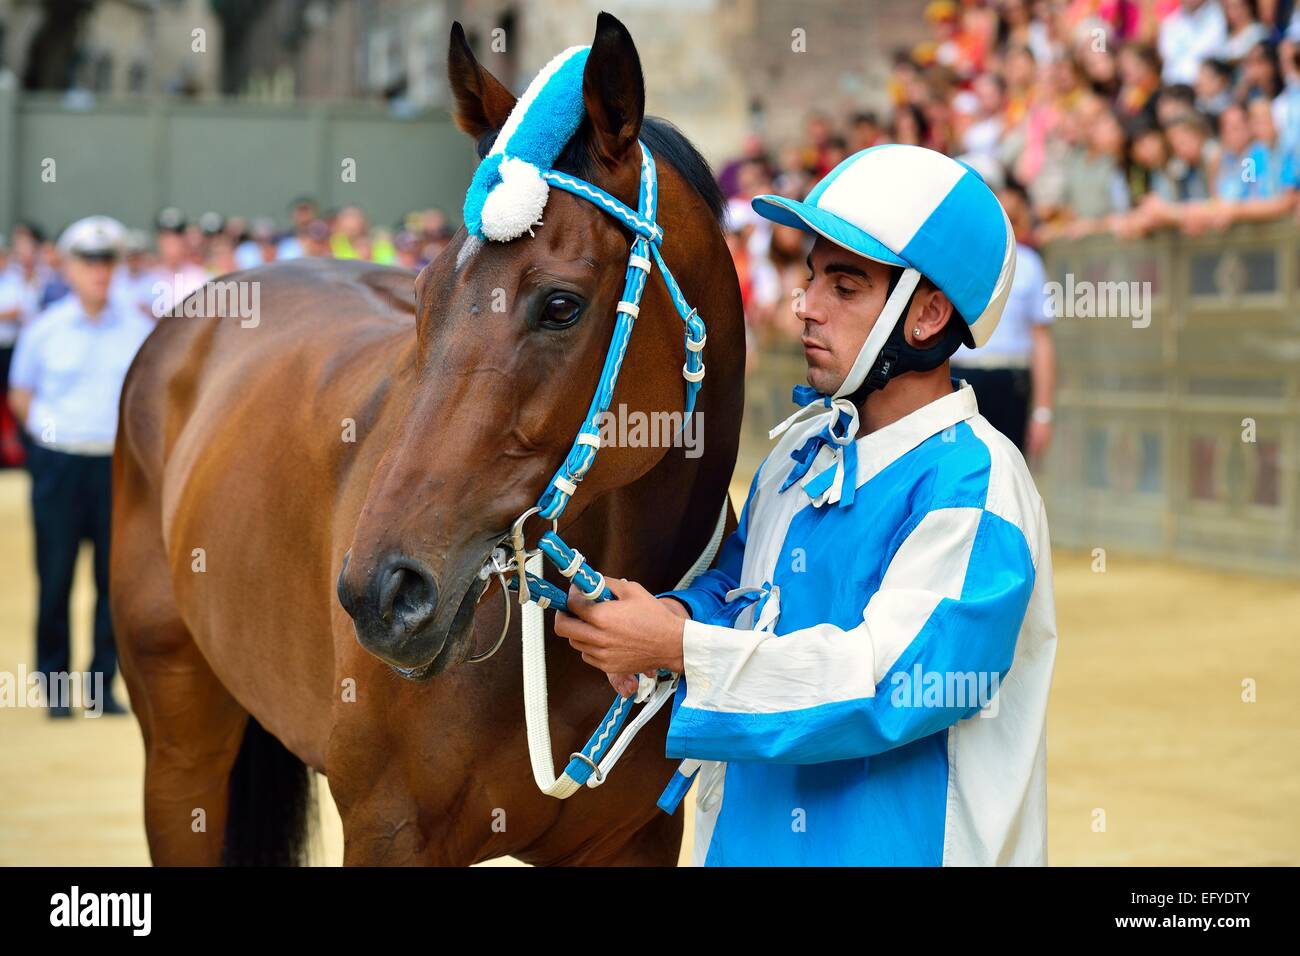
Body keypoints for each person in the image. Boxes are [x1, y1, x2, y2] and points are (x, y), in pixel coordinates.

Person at [555, 145, 1057, 866]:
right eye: (811, 275)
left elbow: (891, 685)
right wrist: (675, 616)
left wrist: (678, 648)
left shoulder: (978, 484)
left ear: (927, 315)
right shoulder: (799, 455)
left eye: (844, 288)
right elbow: (741, 592)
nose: (805, 306)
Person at [8, 216, 153, 717]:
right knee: (55, 578)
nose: (98, 271)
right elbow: (21, 395)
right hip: (61, 466)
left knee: (113, 583)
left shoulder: (138, 328)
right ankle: (52, 687)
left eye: (106, 261)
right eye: (88, 261)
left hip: (115, 468)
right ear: (67, 267)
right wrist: (50, 444)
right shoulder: (45, 330)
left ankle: (98, 689)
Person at [952, 180, 1055, 456]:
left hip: (1010, 382)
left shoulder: (1030, 263)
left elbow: (1041, 339)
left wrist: (1043, 412)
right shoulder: (957, 261)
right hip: (962, 379)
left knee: (1010, 469)